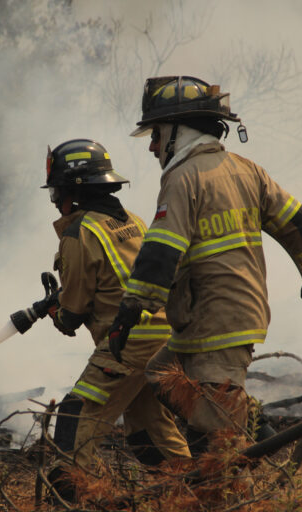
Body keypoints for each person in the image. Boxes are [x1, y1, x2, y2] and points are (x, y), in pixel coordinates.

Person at [107, 76, 302, 456]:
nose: (152, 146)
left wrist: (129, 310)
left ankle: (224, 487)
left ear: (180, 131)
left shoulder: (182, 178)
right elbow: (298, 222)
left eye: (157, 134)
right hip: (206, 318)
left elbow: (161, 249)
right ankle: (248, 429)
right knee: (162, 375)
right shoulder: (247, 170)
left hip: (218, 321)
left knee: (212, 434)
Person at [40, 139, 190, 502]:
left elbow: (72, 315)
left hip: (127, 343)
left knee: (76, 414)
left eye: (56, 189)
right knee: (150, 431)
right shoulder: (134, 221)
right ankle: (203, 490)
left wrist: (52, 308)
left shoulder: (80, 233)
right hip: (164, 336)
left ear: (72, 192)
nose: (55, 197)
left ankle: (75, 500)